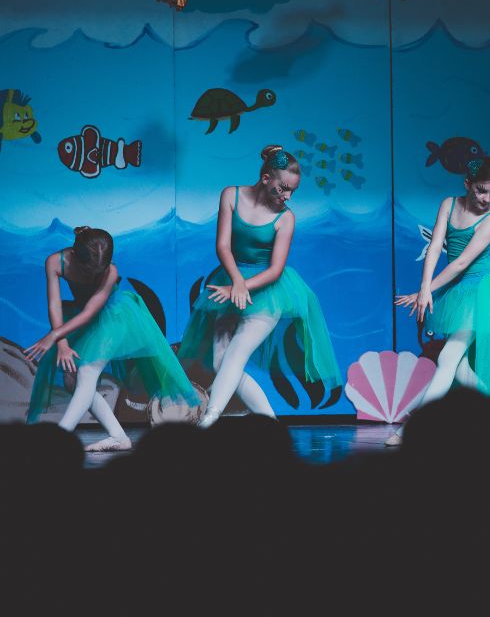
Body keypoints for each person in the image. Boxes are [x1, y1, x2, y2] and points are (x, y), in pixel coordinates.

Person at [177, 146, 341, 428]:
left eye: (292, 191)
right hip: (230, 280)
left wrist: (243, 287)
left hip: (268, 292)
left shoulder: (286, 218)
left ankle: (209, 417)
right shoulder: (231, 195)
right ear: (266, 178)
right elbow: (223, 246)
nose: (287, 197)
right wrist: (235, 283)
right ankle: (271, 424)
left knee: (238, 351)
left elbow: (276, 270)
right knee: (221, 361)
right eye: (283, 188)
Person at [391, 158, 490, 446]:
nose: (487, 199)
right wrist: (425, 287)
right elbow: (436, 245)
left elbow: (461, 262)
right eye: (481, 191)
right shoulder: (448, 204)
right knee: (459, 369)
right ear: (467, 185)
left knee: (449, 357)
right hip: (455, 291)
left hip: (482, 291)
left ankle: (412, 430)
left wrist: (428, 290)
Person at [25, 226, 197, 451]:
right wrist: (62, 343)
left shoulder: (110, 272)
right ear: (75, 255)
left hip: (114, 315)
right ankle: (118, 436)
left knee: (87, 372)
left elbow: (90, 311)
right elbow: (54, 304)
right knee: (72, 381)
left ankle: (60, 438)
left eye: (100, 270)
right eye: (88, 270)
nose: (93, 275)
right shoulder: (55, 262)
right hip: (78, 316)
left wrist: (55, 335)